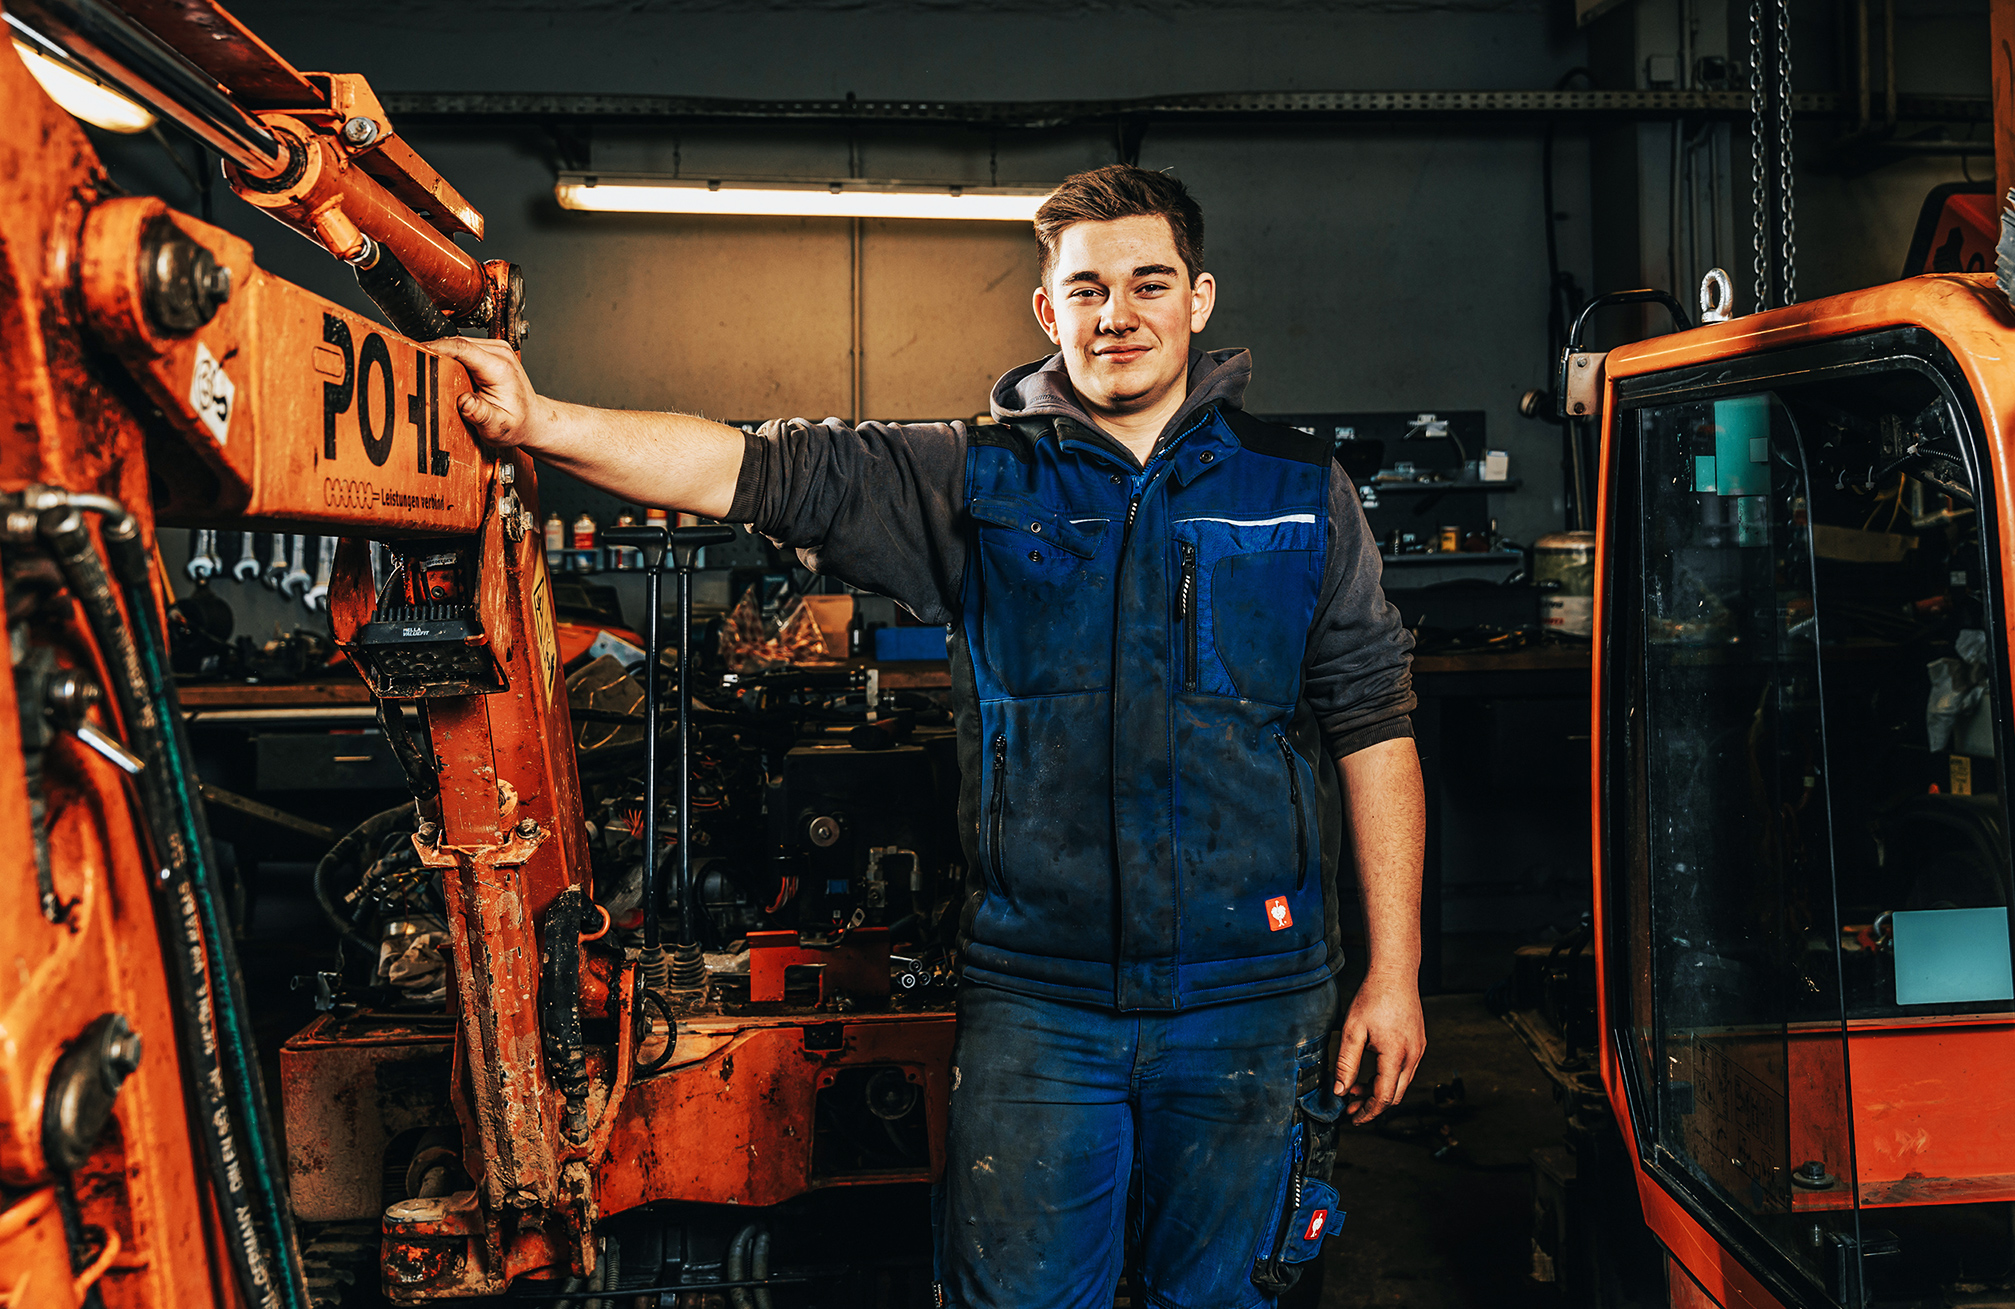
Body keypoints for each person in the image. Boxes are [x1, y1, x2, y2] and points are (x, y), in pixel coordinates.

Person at [427, 164, 1424, 1308]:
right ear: (1048, 312)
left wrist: (1392, 975)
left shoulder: (1298, 490)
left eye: (1149, 283)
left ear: (1198, 299)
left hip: (1255, 991)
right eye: (1087, 289)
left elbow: (1373, 723)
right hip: (1043, 1002)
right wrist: (540, 421)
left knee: (1224, 1296)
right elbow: (753, 470)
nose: (1119, 314)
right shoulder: (974, 477)